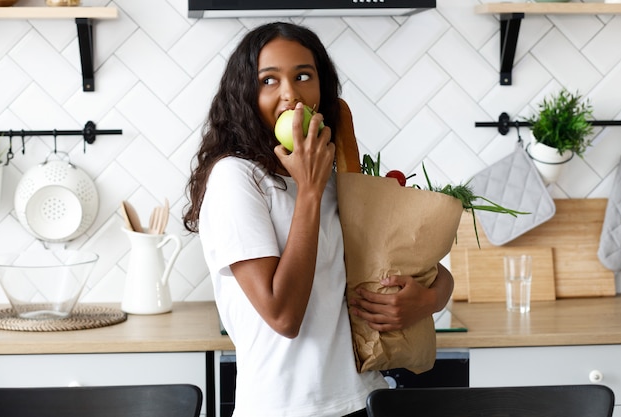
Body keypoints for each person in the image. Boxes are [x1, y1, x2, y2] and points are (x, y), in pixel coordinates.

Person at [183, 21, 454, 417]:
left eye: (303, 76)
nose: (290, 93)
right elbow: (283, 315)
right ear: (245, 93)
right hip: (285, 409)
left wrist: (427, 300)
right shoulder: (236, 178)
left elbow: (428, 269)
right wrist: (308, 191)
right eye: (269, 80)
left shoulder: (337, 173)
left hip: (366, 399)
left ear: (321, 88)